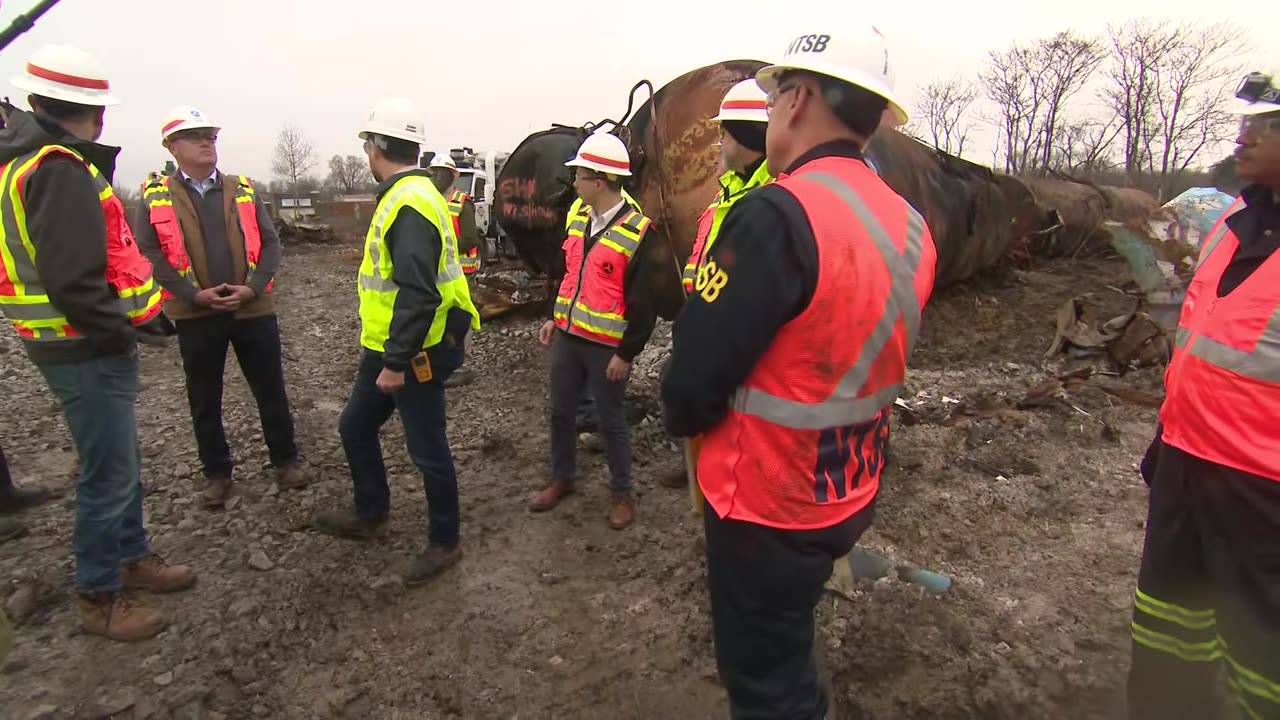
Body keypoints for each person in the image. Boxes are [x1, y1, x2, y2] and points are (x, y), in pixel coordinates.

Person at [661, 26, 937, 718]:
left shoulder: (777, 215)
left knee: (765, 688)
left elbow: (690, 386)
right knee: (789, 640)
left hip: (767, 501)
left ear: (800, 98)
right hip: (849, 484)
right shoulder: (910, 226)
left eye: (777, 91)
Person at [0, 45, 197, 642]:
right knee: (107, 473)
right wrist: (126, 327)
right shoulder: (58, 169)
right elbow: (75, 282)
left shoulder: (29, 162)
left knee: (120, 462)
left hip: (71, 341)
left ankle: (132, 556)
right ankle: (98, 595)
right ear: (97, 113)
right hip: (82, 345)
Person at [1126, 66, 1280, 720]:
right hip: (1187, 466)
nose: (1242, 135)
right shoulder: (1231, 229)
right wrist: (1168, 438)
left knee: (1260, 653)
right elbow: (1197, 345)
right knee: (1166, 629)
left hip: (1262, 493)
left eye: (1265, 124)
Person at [312, 98, 480, 586]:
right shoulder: (408, 195)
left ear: (379, 146)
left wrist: (397, 361)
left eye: (367, 144)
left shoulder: (409, 202)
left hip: (414, 351)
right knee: (355, 426)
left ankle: (445, 542)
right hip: (390, 348)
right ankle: (371, 513)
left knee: (427, 449)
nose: (366, 152)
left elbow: (419, 292)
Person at [134, 105, 311, 508]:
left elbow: (271, 244)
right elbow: (148, 252)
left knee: (270, 388)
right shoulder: (155, 196)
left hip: (252, 308)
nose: (206, 144)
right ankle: (216, 473)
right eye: (196, 137)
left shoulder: (244, 189)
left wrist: (252, 288)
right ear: (172, 146)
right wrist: (191, 293)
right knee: (204, 396)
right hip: (196, 313)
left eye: (211, 137)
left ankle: (286, 460)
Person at [531, 132, 661, 530]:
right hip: (569, 339)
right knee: (560, 413)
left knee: (611, 422)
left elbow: (645, 303)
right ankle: (563, 478)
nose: (574, 183)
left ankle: (622, 494)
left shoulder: (639, 232)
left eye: (580, 176)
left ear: (600, 180)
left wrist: (626, 354)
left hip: (606, 348)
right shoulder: (579, 223)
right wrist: (555, 316)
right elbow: (568, 275)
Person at [660, 78, 775, 491]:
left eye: (723, 133)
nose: (718, 143)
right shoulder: (725, 195)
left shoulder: (771, 200)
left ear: (745, 138)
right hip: (706, 318)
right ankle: (700, 463)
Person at [427, 153, 481, 389]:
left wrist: (441, 249)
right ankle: (440, 358)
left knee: (461, 318)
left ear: (452, 176)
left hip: (462, 271)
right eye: (434, 172)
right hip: (438, 271)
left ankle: (460, 362)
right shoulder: (428, 199)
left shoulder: (462, 202)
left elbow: (470, 238)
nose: (438, 177)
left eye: (442, 173)